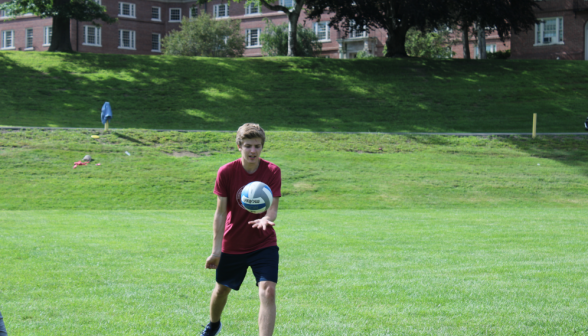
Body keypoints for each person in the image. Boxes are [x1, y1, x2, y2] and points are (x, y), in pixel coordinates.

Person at [200, 123, 282, 336]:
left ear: (262, 147)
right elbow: (220, 213)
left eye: (257, 146)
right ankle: (214, 324)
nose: (253, 151)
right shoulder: (227, 172)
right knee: (222, 290)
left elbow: (273, 209)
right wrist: (216, 251)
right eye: (248, 146)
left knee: (268, 291)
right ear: (239, 146)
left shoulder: (272, 171)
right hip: (233, 243)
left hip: (264, 242)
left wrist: (266, 219)